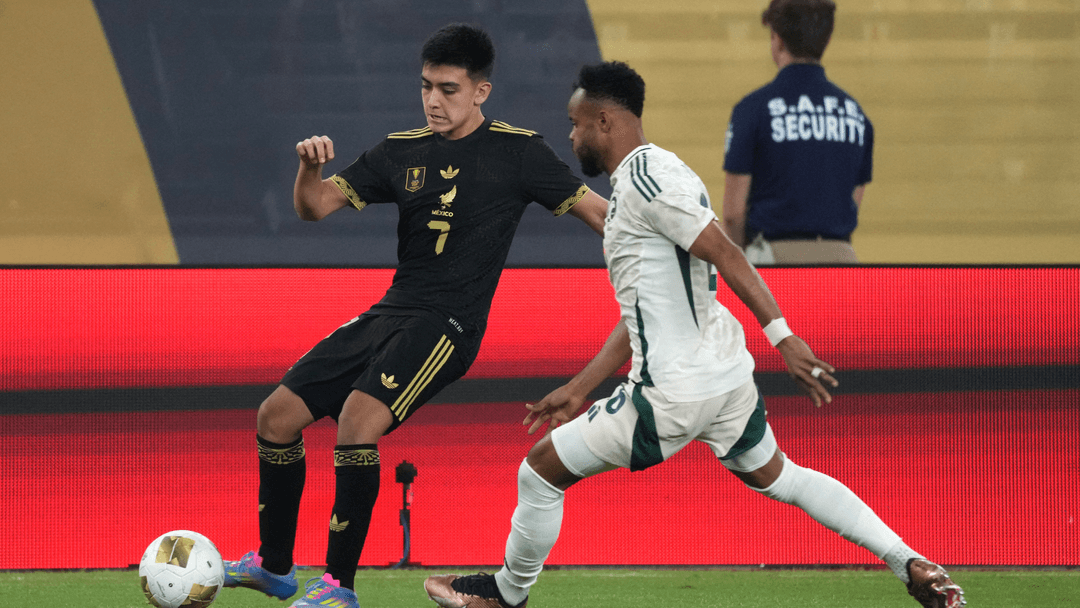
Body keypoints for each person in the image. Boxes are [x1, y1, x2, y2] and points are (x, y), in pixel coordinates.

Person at [424, 61, 964, 608]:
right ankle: (909, 561)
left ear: (605, 121)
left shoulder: (642, 179)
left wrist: (784, 336)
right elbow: (643, 310)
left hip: (672, 394)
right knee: (781, 477)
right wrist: (582, 385)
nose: (571, 134)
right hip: (725, 378)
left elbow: (725, 252)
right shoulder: (667, 171)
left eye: (577, 123)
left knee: (539, 470)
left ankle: (505, 595)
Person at [219, 23, 608, 608]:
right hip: (391, 313)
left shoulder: (520, 150)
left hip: (448, 326)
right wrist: (307, 170)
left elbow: (602, 215)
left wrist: (664, 245)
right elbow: (315, 207)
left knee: (357, 422)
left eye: (448, 89)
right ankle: (274, 569)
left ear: (481, 92)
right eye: (426, 86)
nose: (433, 100)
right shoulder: (400, 151)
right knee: (275, 416)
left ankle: (337, 588)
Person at [722, 0, 872, 264]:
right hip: (841, 260)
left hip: (774, 261)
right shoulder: (856, 115)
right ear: (826, 40)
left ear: (777, 40)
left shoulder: (753, 110)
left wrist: (739, 265)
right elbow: (852, 201)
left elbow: (733, 214)